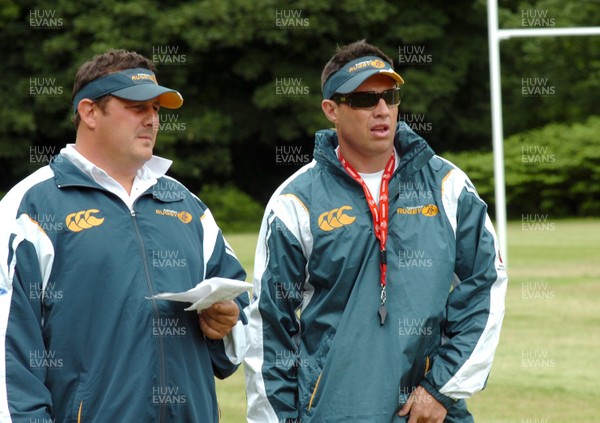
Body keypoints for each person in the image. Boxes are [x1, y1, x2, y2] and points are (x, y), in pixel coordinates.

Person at [243, 40, 508, 422]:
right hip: (335, 411)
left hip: (428, 412)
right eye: (364, 100)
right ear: (331, 110)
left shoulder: (447, 185)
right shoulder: (295, 202)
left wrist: (441, 388)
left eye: (390, 95)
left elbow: (486, 283)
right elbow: (270, 327)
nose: (382, 110)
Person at [0, 49, 249, 421]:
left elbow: (239, 324)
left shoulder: (186, 204)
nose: (152, 120)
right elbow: (9, 358)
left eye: (157, 110)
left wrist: (225, 324)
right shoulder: (31, 207)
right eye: (137, 107)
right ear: (89, 112)